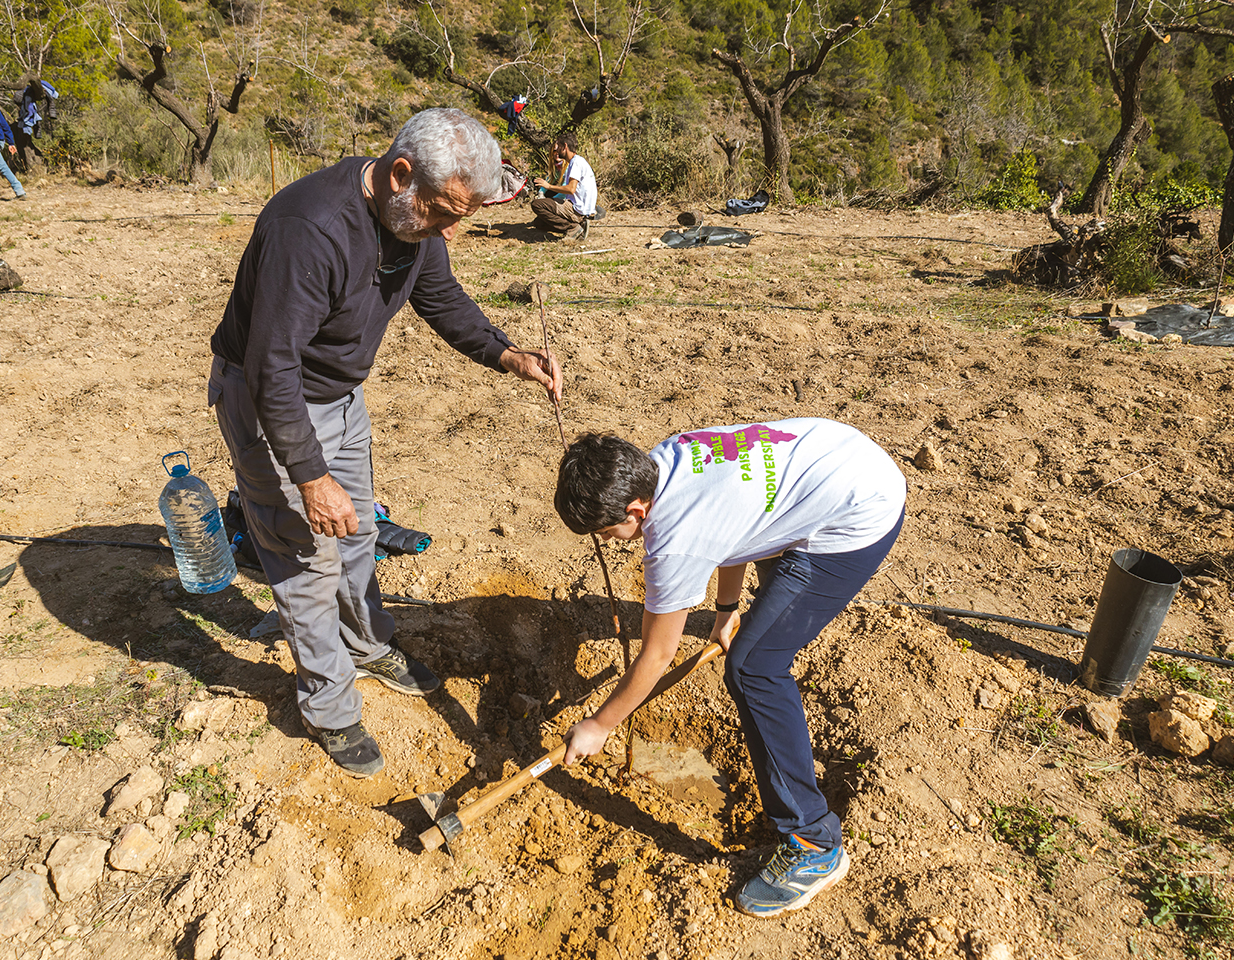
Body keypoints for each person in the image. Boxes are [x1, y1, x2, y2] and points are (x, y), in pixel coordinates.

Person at [209, 107, 562, 778]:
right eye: (444, 212)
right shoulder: (309, 230)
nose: (450, 229)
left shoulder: (414, 220)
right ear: (400, 175)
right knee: (304, 562)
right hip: (270, 403)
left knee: (359, 534)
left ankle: (370, 646)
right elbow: (271, 368)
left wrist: (507, 353)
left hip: (340, 398)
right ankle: (329, 708)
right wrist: (310, 477)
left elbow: (442, 297)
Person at [554, 419, 906, 917]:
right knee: (753, 639)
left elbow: (657, 654)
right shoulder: (667, 458)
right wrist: (726, 607)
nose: (610, 541)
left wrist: (599, 725)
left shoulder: (675, 542)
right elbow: (733, 525)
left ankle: (813, 845)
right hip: (842, 457)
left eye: (608, 531)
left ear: (635, 509)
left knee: (753, 667)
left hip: (857, 514)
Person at [530, 131, 596, 241]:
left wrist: (548, 186)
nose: (557, 150)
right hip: (579, 208)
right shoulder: (577, 161)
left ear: (565, 146)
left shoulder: (576, 163)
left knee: (537, 205)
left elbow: (570, 189)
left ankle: (573, 227)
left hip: (576, 209)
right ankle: (578, 226)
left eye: (559, 147)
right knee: (539, 223)